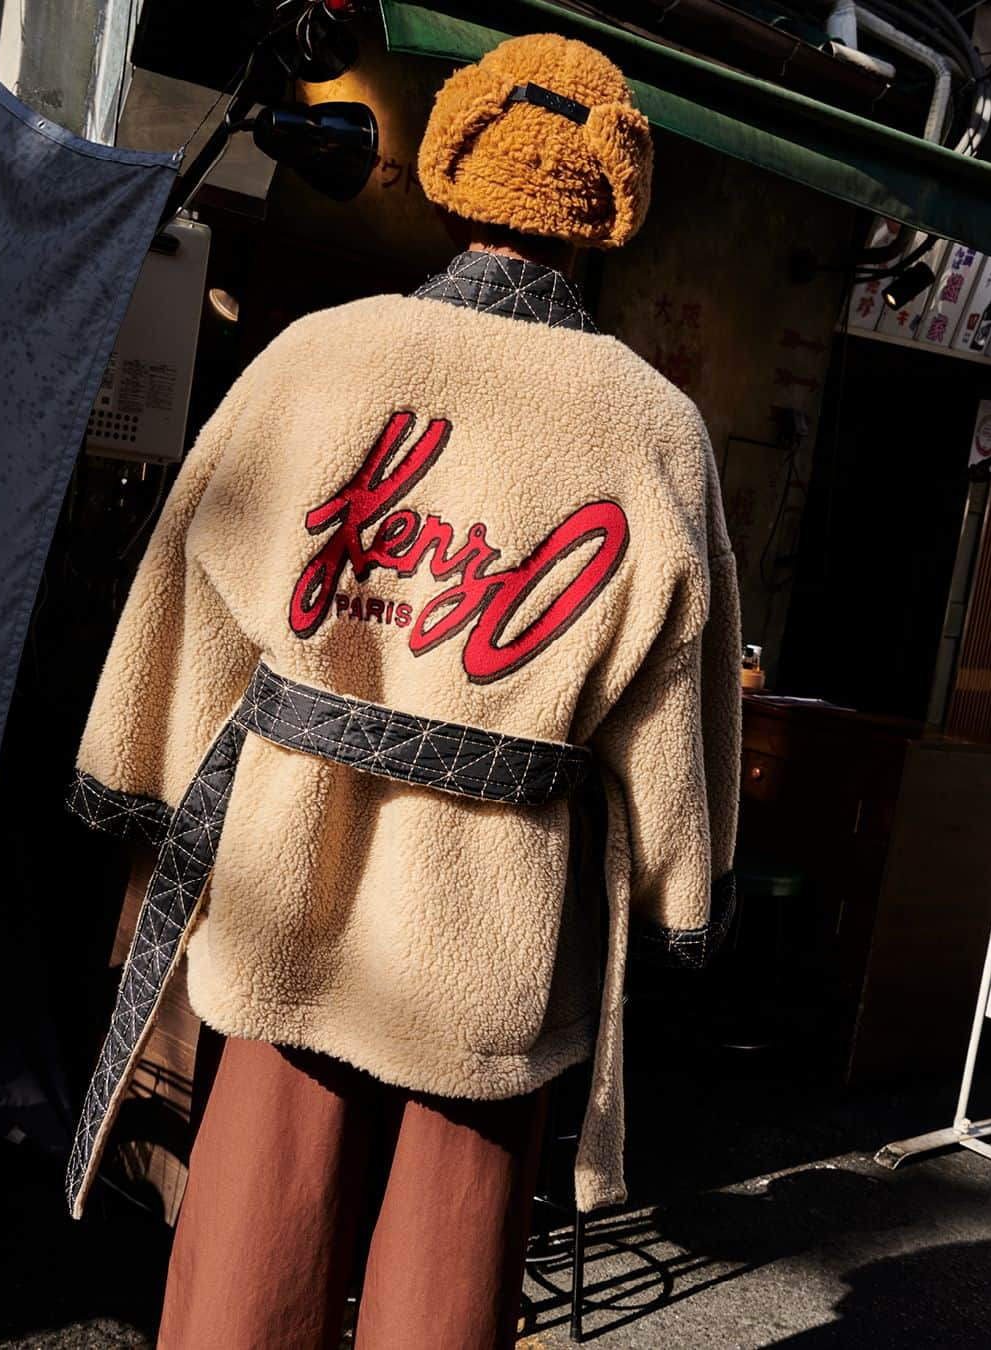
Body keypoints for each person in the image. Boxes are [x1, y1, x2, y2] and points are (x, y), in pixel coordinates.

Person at [63, 30, 741, 1350]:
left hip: (286, 881)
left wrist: (135, 772)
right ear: (614, 205)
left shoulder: (322, 361)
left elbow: (187, 593)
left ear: (449, 167)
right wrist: (679, 890)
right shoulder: (652, 426)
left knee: (248, 1266)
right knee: (445, 1282)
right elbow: (677, 707)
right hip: (496, 925)